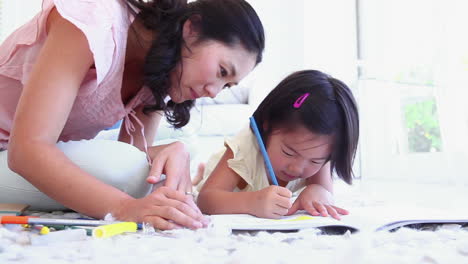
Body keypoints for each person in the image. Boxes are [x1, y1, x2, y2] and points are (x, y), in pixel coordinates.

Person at [0, 0, 264, 230]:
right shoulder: (94, 20)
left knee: (181, 151)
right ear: (191, 28)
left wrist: (168, 151)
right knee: (127, 170)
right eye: (221, 71)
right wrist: (125, 208)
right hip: (15, 151)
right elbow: (27, 150)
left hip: (29, 151)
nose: (214, 92)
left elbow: (133, 153)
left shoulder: (159, 75)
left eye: (227, 86)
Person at [196, 70, 359, 220]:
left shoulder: (319, 149)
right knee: (195, 188)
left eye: (315, 161)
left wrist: (320, 193)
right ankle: (200, 175)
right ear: (268, 124)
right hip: (227, 186)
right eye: (288, 152)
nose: (297, 168)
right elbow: (206, 200)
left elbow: (325, 194)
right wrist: (252, 202)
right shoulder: (245, 146)